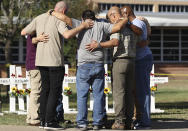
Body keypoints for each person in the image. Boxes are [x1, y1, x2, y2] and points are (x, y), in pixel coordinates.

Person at [50, 9, 128, 130]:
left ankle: (82, 123)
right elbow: (117, 28)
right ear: (95, 17)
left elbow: (65, 18)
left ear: (82, 18)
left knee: (82, 95)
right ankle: (98, 123)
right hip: (98, 64)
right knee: (98, 95)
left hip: (83, 65)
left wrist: (52, 12)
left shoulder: (79, 24)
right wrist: (125, 18)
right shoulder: (102, 25)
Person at [21, 1, 93, 130]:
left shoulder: (39, 18)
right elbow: (67, 34)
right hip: (54, 61)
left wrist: (37, 38)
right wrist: (81, 26)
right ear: (64, 11)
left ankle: (43, 120)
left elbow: (23, 32)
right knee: (54, 91)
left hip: (40, 61)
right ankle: (50, 121)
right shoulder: (58, 20)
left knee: (45, 91)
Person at [86, 6, 142, 130]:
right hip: (132, 61)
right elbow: (139, 37)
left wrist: (98, 45)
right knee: (129, 93)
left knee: (119, 93)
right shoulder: (131, 26)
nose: (109, 20)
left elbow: (115, 42)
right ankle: (128, 121)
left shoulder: (117, 26)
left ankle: (119, 121)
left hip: (120, 60)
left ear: (114, 15)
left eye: (109, 17)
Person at [121, 6, 153, 130]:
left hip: (142, 59)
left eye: (123, 14)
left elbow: (140, 36)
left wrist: (127, 25)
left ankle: (145, 122)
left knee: (142, 92)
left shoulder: (137, 23)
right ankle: (140, 119)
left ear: (127, 13)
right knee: (137, 92)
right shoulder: (133, 22)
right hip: (138, 60)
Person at [26, 33, 48, 126]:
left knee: (34, 92)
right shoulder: (33, 34)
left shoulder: (30, 33)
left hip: (31, 65)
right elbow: (33, 40)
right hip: (35, 66)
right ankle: (34, 118)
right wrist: (40, 38)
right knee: (36, 92)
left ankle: (30, 117)